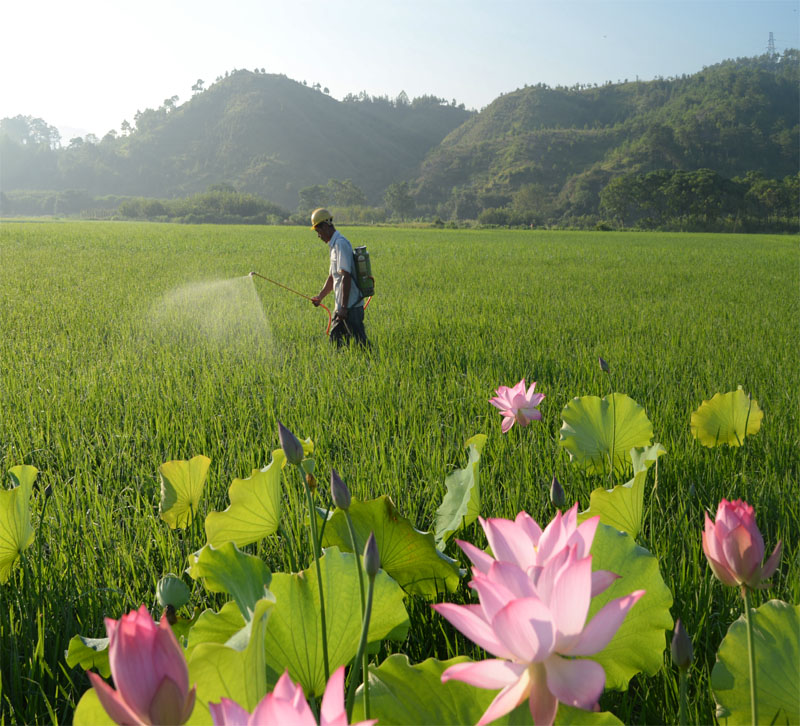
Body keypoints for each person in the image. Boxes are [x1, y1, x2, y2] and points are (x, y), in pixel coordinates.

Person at [309, 208, 368, 347]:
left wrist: (343, 307)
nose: (318, 236)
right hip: (342, 307)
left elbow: (345, 276)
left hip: (350, 307)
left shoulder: (340, 244)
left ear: (325, 226)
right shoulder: (334, 245)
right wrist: (320, 297)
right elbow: (333, 277)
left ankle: (374, 364)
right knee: (336, 342)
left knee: (361, 344)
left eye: (318, 231)